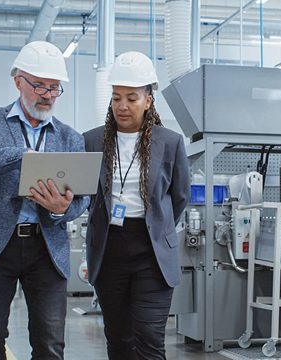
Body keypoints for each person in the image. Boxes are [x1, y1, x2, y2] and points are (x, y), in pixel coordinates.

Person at [0, 41, 89, 360]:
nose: (47, 94)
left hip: (47, 246)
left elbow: (84, 199)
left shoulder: (70, 137)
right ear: (18, 81)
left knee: (50, 342)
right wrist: (19, 156)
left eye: (54, 88)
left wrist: (63, 209)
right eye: (39, 85)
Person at [83, 51, 190, 360]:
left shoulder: (169, 142)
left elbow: (179, 196)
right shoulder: (92, 141)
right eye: (116, 97)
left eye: (131, 98)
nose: (122, 105)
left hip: (152, 252)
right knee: (118, 339)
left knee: (149, 338)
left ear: (148, 99)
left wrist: (158, 226)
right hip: (109, 249)